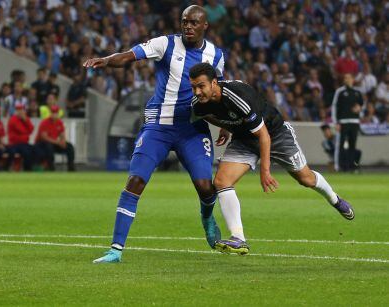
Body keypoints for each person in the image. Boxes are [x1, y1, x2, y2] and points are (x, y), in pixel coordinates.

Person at [84, 5, 225, 263]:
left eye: (193, 22)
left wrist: (226, 123)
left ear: (205, 25)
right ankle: (115, 249)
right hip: (158, 125)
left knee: (206, 187)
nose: (188, 26)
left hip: (192, 129)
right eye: (184, 22)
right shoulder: (165, 44)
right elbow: (129, 56)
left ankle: (207, 218)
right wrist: (106, 60)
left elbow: (217, 94)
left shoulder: (216, 55)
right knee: (136, 180)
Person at [187, 63, 354, 254]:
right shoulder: (198, 104)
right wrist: (228, 125)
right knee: (222, 181)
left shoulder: (237, 97)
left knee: (305, 178)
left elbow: (264, 136)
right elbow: (210, 115)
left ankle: (334, 199)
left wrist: (265, 171)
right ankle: (238, 238)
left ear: (214, 82)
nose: (197, 92)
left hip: (274, 134)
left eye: (201, 86)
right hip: (244, 139)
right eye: (193, 87)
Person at [331, 73, 363, 172]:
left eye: (349, 78)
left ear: (353, 79)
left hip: (354, 121)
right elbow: (334, 106)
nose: (347, 79)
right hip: (343, 122)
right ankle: (338, 166)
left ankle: (350, 166)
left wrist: (359, 108)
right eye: (345, 78)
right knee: (339, 144)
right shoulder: (340, 91)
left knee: (352, 145)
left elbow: (362, 105)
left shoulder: (357, 92)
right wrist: (335, 122)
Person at [35, 105, 75, 171]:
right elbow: (44, 137)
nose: (54, 114)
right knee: (49, 146)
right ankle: (51, 167)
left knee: (70, 146)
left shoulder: (59, 122)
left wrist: (63, 142)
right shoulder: (45, 122)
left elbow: (62, 134)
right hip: (41, 144)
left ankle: (71, 167)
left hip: (53, 143)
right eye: (53, 113)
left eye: (56, 113)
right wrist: (58, 142)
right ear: (50, 113)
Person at [6, 104, 35, 171]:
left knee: (32, 150)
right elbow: (21, 130)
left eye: (21, 110)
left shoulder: (26, 119)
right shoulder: (13, 119)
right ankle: (7, 168)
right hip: (14, 143)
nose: (20, 112)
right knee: (14, 152)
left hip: (24, 143)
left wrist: (26, 121)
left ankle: (28, 170)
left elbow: (31, 129)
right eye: (18, 110)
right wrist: (26, 132)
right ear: (15, 111)